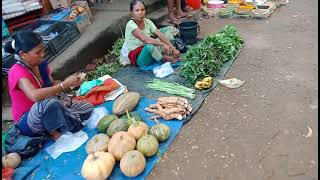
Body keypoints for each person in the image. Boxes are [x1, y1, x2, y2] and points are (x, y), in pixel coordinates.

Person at [4, 30, 93, 140]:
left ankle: (61, 125)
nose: (42, 55)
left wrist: (69, 81)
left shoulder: (41, 65)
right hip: (29, 121)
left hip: (49, 110)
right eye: (37, 52)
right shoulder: (17, 71)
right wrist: (63, 85)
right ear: (23, 54)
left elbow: (52, 84)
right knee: (49, 102)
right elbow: (34, 96)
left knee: (87, 107)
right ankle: (56, 134)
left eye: (43, 50)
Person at [123, 0, 181, 68]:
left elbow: (159, 34)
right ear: (132, 13)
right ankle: (164, 59)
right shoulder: (131, 24)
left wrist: (173, 48)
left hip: (151, 49)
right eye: (137, 10)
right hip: (139, 57)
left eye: (142, 10)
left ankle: (169, 52)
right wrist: (163, 44)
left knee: (166, 31)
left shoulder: (148, 21)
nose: (140, 13)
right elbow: (144, 39)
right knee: (149, 46)